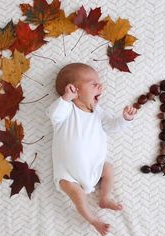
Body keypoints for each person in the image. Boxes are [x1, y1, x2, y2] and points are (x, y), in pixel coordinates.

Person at [46, 63, 137, 235]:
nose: (100, 86)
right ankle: (93, 220)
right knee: (78, 196)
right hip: (68, 174)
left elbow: (111, 127)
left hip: (95, 168)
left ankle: (104, 198)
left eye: (99, 83)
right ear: (74, 89)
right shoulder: (66, 111)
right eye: (93, 84)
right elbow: (53, 114)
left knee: (108, 168)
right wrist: (65, 98)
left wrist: (125, 119)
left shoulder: (98, 112)